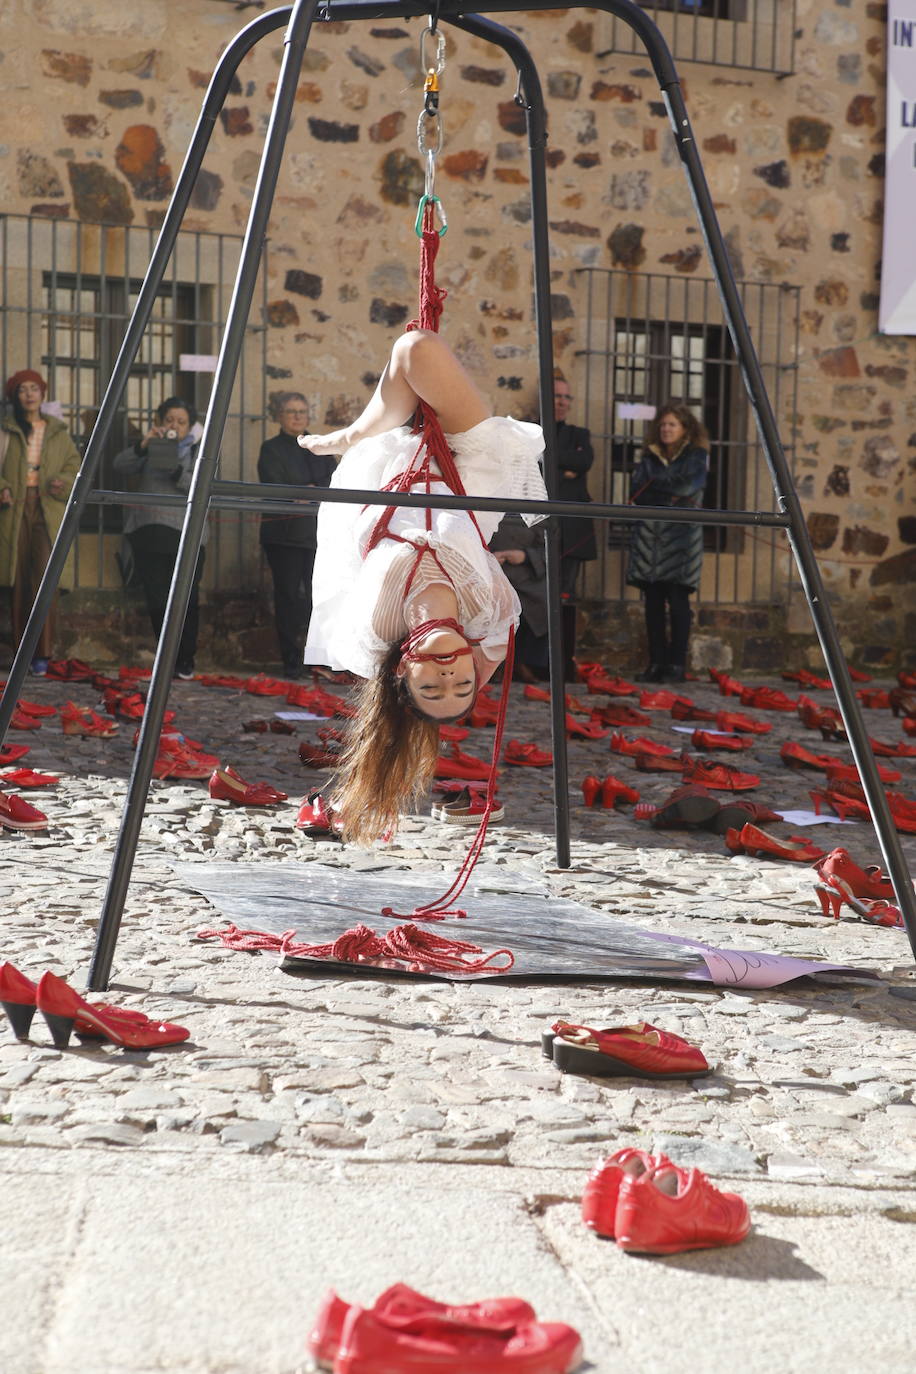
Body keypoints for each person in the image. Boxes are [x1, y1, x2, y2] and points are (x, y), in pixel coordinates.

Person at [299, 328, 546, 844]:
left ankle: (359, 432)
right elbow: (490, 653)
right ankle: (362, 427)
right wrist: (482, 663)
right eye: (461, 683)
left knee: (411, 353)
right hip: (467, 472)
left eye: (430, 685)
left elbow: (379, 544)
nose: (448, 672)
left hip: (398, 480)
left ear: (405, 668)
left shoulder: (375, 624)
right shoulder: (491, 615)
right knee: (417, 349)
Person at [113, 396, 205, 680]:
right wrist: (143, 446)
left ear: (190, 425)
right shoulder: (151, 444)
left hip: (187, 531)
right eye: (169, 420)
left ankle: (185, 659)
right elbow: (120, 466)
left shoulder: (201, 447)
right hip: (150, 528)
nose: (174, 426)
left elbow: (205, 485)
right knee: (156, 596)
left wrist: (177, 471)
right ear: (159, 422)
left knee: (186, 596)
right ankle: (166, 658)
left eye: (181, 421)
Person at [0, 369, 81, 675]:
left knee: (45, 581)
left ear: (43, 393)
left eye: (34, 388)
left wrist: (62, 481)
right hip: (14, 511)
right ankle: (21, 652)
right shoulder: (6, 430)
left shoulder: (58, 432)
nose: (29, 394)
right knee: (18, 581)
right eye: (22, 389)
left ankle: (42, 655)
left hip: (48, 508)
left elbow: (75, 466)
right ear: (15, 396)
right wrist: (3, 487)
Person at [626, 403, 709, 684]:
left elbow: (687, 488)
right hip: (650, 536)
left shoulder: (697, 455)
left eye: (672, 424)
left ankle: (676, 665)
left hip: (681, 537)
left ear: (685, 428)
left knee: (678, 600)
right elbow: (638, 492)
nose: (666, 429)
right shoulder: (649, 456)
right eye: (663, 424)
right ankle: (656, 663)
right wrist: (665, 489)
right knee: (652, 601)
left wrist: (657, 486)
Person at [257, 391, 336, 679]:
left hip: (318, 535)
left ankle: (318, 660)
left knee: (320, 598)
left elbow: (333, 481)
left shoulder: (320, 446)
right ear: (280, 416)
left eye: (302, 411)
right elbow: (276, 484)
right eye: (291, 412)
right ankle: (291, 660)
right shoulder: (271, 448)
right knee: (288, 597)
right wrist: (306, 490)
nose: (297, 417)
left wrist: (308, 490)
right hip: (283, 535)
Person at [490, 515, 549, 684]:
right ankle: (496, 663)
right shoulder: (487, 506)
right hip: (494, 576)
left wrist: (525, 556)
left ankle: (521, 662)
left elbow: (550, 548)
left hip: (529, 577)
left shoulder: (535, 515)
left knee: (542, 604)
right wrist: (488, 557)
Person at [553, 372, 597, 597]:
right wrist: (566, 469)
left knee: (565, 595)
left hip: (571, 527)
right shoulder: (531, 431)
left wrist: (549, 458)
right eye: (557, 395)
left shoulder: (579, 434)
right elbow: (533, 470)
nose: (562, 402)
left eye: (567, 397)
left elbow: (584, 461)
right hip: (538, 528)